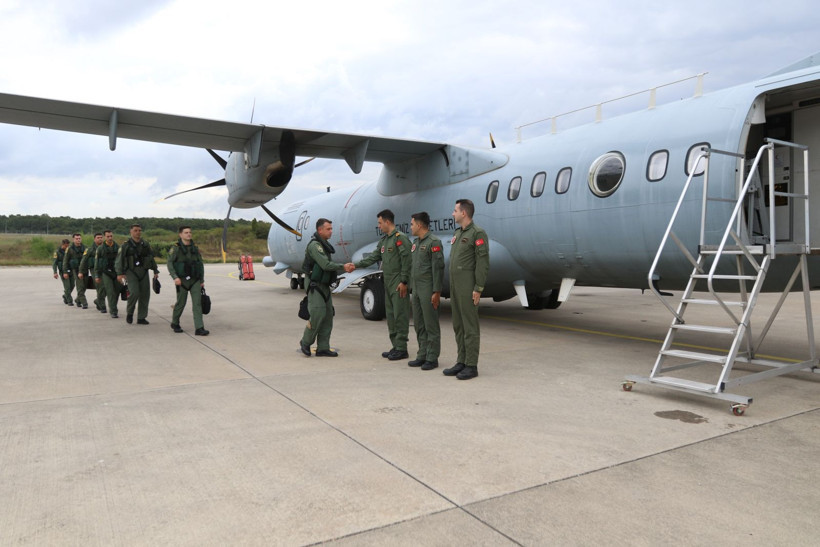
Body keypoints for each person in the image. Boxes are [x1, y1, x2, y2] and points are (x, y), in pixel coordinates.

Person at [348, 209, 412, 360]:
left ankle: (402, 348)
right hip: (388, 284)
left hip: (398, 284)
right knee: (390, 316)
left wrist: (404, 281)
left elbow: (407, 261)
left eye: (380, 223)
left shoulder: (400, 238)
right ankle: (395, 345)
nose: (379, 226)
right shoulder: (384, 241)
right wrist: (355, 265)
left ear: (387, 222)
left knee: (400, 315)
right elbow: (372, 258)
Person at [443, 199, 489, 380]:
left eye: (455, 210)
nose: (453, 214)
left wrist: (478, 287)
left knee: (470, 327)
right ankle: (461, 361)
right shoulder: (458, 233)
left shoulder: (478, 233)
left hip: (468, 287)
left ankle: (471, 365)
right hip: (455, 286)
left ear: (464, 213)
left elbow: (483, 263)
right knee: (458, 325)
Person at [300, 218, 347, 357]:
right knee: (317, 313)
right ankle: (305, 341)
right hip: (315, 284)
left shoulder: (324, 244)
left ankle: (323, 347)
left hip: (324, 284)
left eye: (331, 228)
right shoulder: (315, 246)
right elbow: (325, 265)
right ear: (320, 230)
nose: (331, 231)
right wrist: (343, 267)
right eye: (328, 229)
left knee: (327, 316)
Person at [408, 212, 445, 370]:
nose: (410, 226)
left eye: (412, 224)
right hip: (416, 289)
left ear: (419, 225)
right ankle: (422, 354)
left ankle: (432, 357)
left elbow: (438, 268)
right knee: (419, 323)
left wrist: (436, 291)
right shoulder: (415, 243)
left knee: (431, 324)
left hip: (428, 288)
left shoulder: (433, 242)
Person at [167, 226, 209, 336]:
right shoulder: (175, 248)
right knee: (181, 303)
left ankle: (199, 328)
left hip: (195, 280)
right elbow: (170, 263)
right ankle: (175, 322)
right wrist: (175, 277)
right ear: (180, 235)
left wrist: (201, 280)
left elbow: (200, 264)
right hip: (182, 281)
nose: (189, 234)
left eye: (190, 232)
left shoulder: (195, 248)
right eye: (186, 232)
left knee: (197, 304)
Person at [115, 224, 160, 325]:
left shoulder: (145, 244)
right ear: (131, 232)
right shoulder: (125, 245)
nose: (138, 232)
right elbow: (119, 260)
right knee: (134, 293)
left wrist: (155, 270)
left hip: (143, 271)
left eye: (140, 230)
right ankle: (130, 312)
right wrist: (119, 274)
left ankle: (141, 317)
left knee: (145, 295)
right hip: (131, 272)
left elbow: (151, 257)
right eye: (135, 230)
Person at [95, 230, 122, 318]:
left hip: (116, 272)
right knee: (110, 292)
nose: (110, 238)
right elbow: (97, 263)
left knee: (117, 292)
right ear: (104, 237)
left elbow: (122, 261)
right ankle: (113, 311)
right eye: (108, 236)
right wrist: (97, 275)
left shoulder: (118, 247)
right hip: (106, 272)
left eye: (111, 236)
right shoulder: (100, 248)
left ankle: (113, 306)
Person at [79, 232, 106, 313]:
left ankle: (98, 300)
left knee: (106, 287)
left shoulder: (105, 248)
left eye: (101, 237)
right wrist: (80, 271)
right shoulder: (89, 249)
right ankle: (102, 306)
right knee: (100, 286)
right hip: (94, 269)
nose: (100, 239)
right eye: (98, 237)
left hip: (104, 269)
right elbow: (83, 261)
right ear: (94, 239)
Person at [63, 233, 88, 308]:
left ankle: (78, 300)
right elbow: (65, 261)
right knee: (80, 286)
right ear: (73, 239)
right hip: (75, 269)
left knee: (84, 286)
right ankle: (84, 303)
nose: (78, 240)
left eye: (79, 238)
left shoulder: (85, 248)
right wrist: (65, 272)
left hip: (85, 269)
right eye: (76, 238)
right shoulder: (70, 249)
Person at [52, 238, 73, 305]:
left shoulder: (70, 251)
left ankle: (65, 296)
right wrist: (55, 272)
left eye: (68, 245)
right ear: (63, 245)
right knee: (67, 286)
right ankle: (70, 301)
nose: (67, 247)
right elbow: (54, 263)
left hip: (71, 270)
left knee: (72, 285)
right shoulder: (57, 252)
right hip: (63, 271)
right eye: (66, 246)